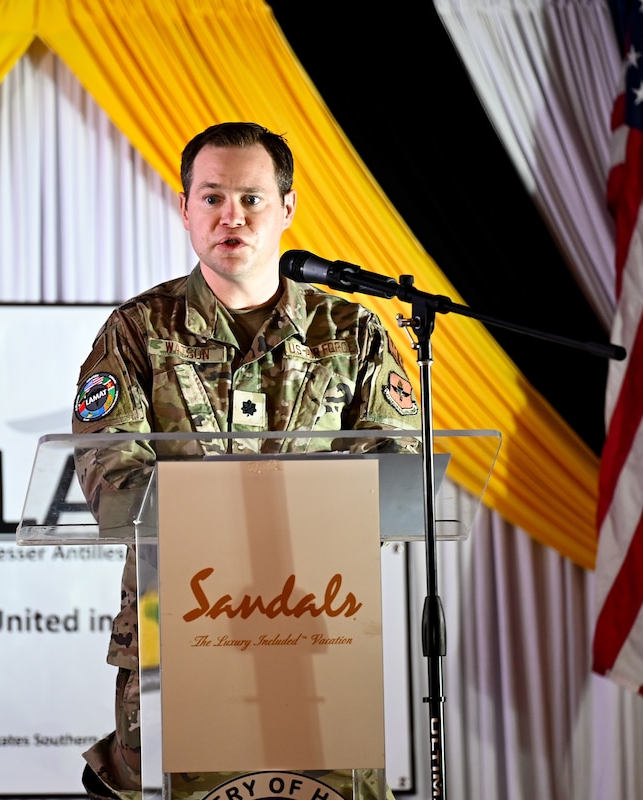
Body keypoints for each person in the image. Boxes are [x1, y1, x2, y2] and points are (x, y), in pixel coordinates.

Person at [71, 122, 421, 799]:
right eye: (212, 198)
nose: (231, 216)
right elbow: (113, 481)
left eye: (252, 199)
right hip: (179, 638)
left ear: (287, 208)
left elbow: (399, 478)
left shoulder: (355, 335)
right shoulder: (137, 332)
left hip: (321, 637)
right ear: (185, 209)